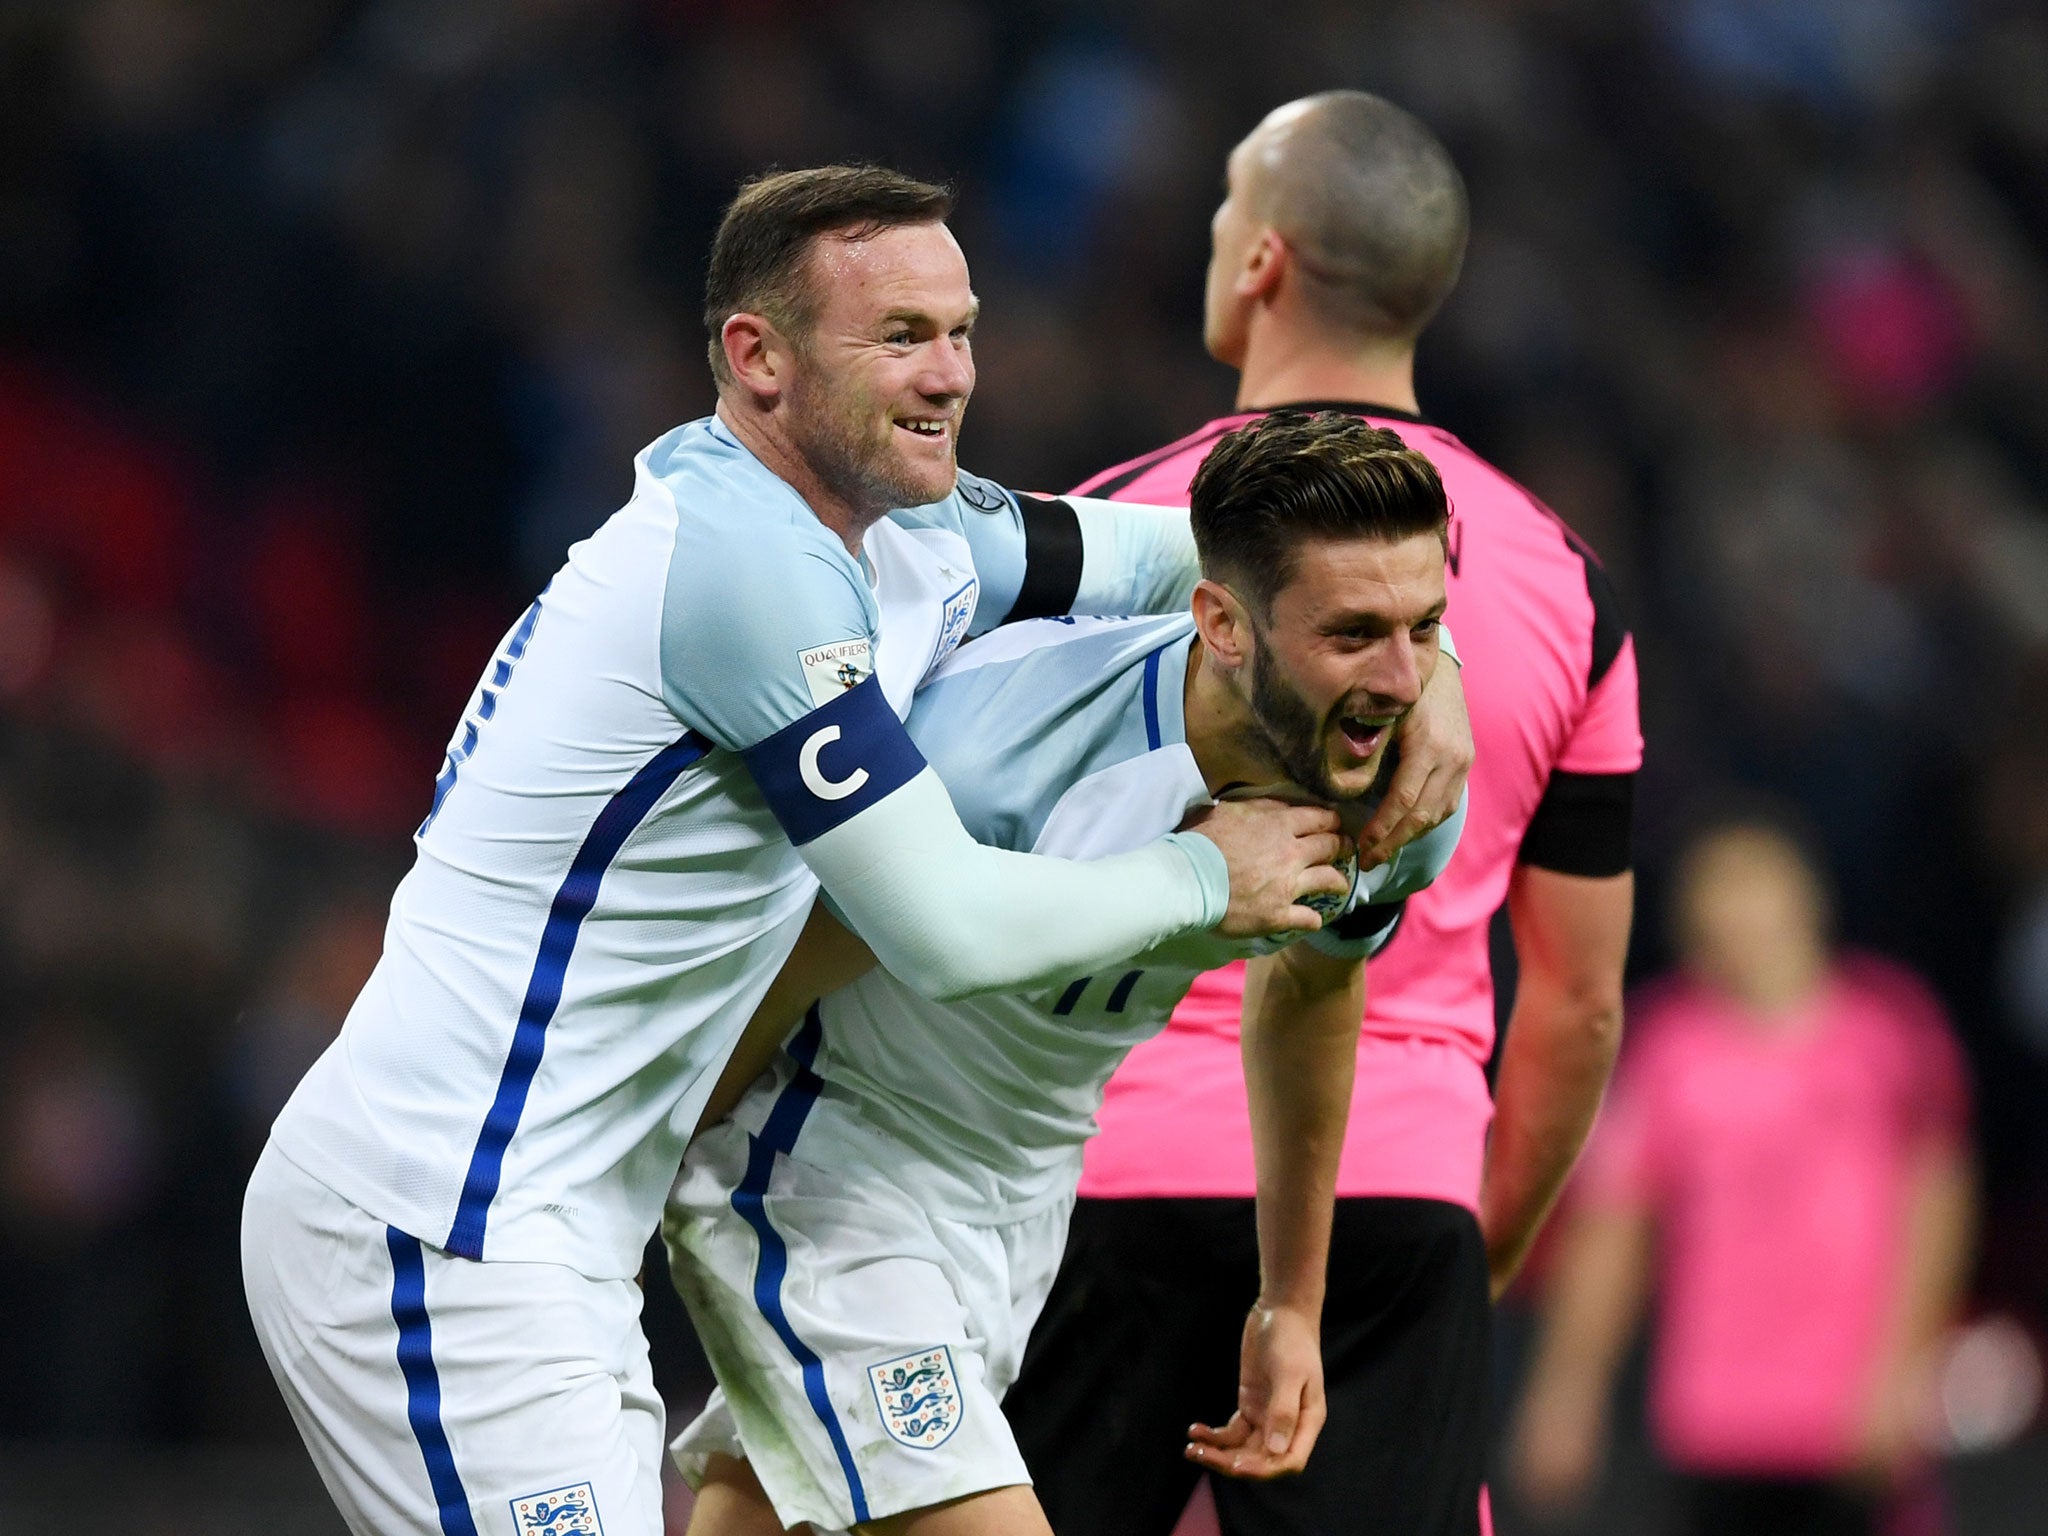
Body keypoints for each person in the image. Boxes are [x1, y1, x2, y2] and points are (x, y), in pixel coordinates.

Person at [240, 166, 1472, 1536]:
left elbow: (1256, 561)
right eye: (899, 336)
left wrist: (1431, 673)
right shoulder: (741, 569)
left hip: (569, 1224)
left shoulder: (922, 536)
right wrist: (1207, 876)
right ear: (755, 358)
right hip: (446, 1216)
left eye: (961, 329)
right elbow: (940, 925)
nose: (950, 373)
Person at [1003, 92, 1642, 1536]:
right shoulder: (1567, 584)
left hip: (1100, 1188)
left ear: (1262, 262)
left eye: (1230, 207)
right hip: (1391, 1194)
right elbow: (1578, 1009)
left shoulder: (1115, 526)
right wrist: (1458, 1268)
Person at [663, 412, 1466, 1536]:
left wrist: (1290, 1301)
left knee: (764, 1511)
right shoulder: (993, 755)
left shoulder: (1400, 796)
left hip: (1022, 1209)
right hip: (823, 1168)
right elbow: (778, 969)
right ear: (1222, 627)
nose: (1400, 680)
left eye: (1424, 628)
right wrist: (622, 1200)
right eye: (1352, 635)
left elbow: (1313, 990)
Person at [1507, 813, 1976, 1536]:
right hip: (1716, 1416)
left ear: (1806, 902)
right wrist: (1567, 1391)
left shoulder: (1889, 1031)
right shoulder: (1667, 1046)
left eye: (1757, 889)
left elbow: (1938, 1210)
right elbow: (1615, 1227)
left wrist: (1899, 1373)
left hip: (1855, 1417)